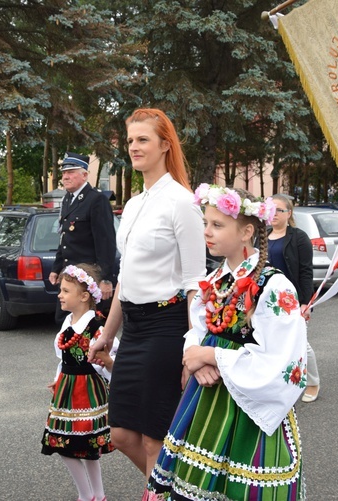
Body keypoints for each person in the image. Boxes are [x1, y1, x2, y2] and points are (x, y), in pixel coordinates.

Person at [144, 185, 307, 500]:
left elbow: (283, 360)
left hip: (247, 406)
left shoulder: (274, 287)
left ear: (247, 231)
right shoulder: (216, 281)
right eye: (205, 223)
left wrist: (212, 356)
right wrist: (193, 354)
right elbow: (199, 327)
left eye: (217, 225)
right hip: (205, 397)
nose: (207, 232)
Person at [87, 108, 206, 478]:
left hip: (166, 328)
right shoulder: (136, 203)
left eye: (143, 140)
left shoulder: (182, 202)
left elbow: (194, 283)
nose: (133, 148)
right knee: (121, 434)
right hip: (133, 330)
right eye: (130, 141)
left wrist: (192, 349)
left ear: (165, 145)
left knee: (156, 439)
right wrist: (106, 334)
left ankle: (161, 490)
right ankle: (172, 487)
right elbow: (126, 277)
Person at [42, 263, 118, 501]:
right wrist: (57, 379)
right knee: (79, 447)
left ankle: (87, 496)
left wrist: (108, 364)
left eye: (65, 291)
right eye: (61, 290)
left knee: (68, 446)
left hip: (86, 392)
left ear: (84, 296)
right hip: (67, 390)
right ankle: (97, 495)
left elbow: (112, 358)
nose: (60, 295)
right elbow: (62, 359)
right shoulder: (67, 323)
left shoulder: (97, 328)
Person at [49, 152, 116, 324]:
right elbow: (64, 238)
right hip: (69, 276)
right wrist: (56, 268)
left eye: (71, 172)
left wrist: (106, 278)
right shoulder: (67, 200)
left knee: (88, 328)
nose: (65, 176)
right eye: (64, 173)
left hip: (88, 277)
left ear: (84, 175)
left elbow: (106, 242)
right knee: (64, 323)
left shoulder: (96, 200)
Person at [267, 194, 321, 402]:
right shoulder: (262, 236)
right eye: (270, 209)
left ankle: (313, 383)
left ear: (289, 213)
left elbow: (306, 272)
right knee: (272, 343)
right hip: (268, 300)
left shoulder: (298, 237)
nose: (274, 214)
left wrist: (306, 303)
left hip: (292, 300)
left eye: (278, 210)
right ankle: (282, 383)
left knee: (301, 344)